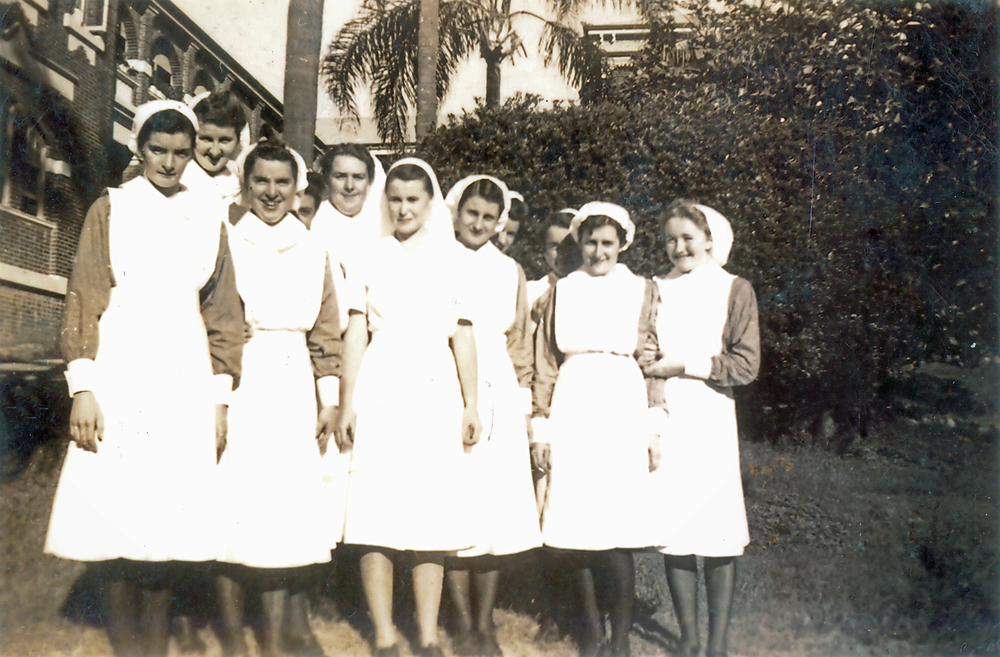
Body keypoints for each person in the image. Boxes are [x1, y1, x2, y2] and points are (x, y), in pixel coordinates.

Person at [45, 100, 243, 657]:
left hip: (184, 366)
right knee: (119, 501)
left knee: (168, 508)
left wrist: (219, 399)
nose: (170, 162)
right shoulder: (112, 207)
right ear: (139, 148)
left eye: (182, 152)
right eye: (159, 150)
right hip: (122, 364)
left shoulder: (208, 214)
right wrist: (83, 386)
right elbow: (84, 295)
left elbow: (223, 310)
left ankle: (152, 643)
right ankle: (126, 644)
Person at [334, 158, 482, 657]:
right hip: (381, 381)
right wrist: (347, 400)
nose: (402, 208)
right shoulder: (369, 256)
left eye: (412, 199)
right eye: (394, 198)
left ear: (429, 202)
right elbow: (356, 330)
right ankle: (383, 634)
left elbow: (463, 334)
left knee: (429, 510)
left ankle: (428, 633)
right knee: (375, 507)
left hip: (435, 386)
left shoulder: (453, 259)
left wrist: (471, 403)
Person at [213, 139, 342, 657]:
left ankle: (280, 629)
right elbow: (211, 307)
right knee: (236, 495)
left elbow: (327, 328)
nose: (271, 192)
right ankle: (231, 634)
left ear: (298, 187)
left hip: (293, 382)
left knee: (286, 502)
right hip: (242, 377)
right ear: (246, 185)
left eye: (281, 182)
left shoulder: (314, 247)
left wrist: (328, 397)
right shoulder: (226, 236)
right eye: (261, 181)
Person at [531, 202, 667, 657]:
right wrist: (541, 429)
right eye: (590, 241)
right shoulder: (561, 291)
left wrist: (653, 426)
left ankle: (621, 636)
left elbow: (650, 361)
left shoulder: (642, 290)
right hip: (573, 402)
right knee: (577, 528)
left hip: (621, 404)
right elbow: (546, 364)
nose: (598, 250)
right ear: (579, 242)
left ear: (623, 243)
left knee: (615, 532)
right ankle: (590, 634)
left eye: (608, 242)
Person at [643, 200, 760, 657]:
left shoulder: (734, 288)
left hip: (712, 416)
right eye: (671, 239)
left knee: (717, 532)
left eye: (688, 238)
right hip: (670, 415)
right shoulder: (654, 288)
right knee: (676, 530)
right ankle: (688, 638)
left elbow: (747, 365)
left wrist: (685, 364)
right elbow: (648, 355)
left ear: (710, 239)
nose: (678, 247)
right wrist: (653, 414)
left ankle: (717, 642)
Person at [442, 175, 542, 656]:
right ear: (456, 211)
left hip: (498, 381)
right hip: (448, 376)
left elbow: (520, 341)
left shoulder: (510, 270)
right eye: (471, 213)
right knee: (458, 497)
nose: (479, 224)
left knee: (495, 502)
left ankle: (485, 623)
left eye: (489, 216)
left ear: (499, 220)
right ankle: (461, 623)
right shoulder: (437, 258)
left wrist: (523, 409)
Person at [183, 89, 248, 205]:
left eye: (225, 140)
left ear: (237, 142)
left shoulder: (240, 190)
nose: (215, 151)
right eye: (206, 139)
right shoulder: (177, 180)